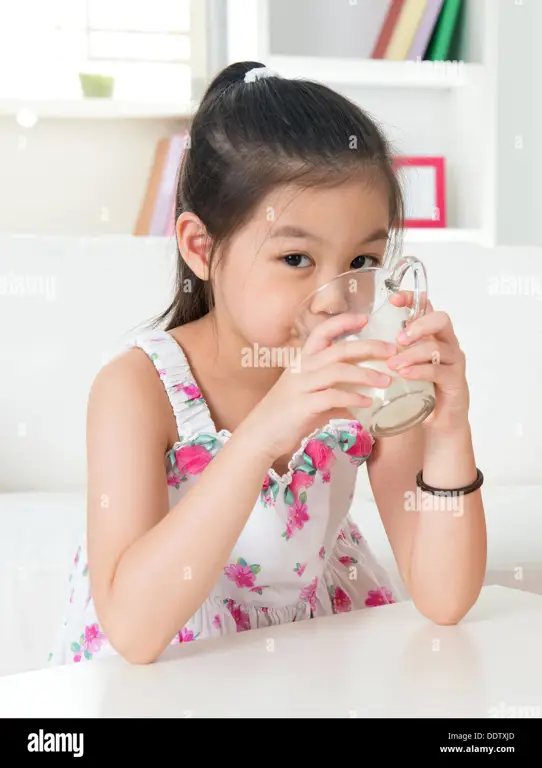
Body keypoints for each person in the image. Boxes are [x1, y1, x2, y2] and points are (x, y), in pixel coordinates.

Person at [49, 61, 486, 667]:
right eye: (297, 259)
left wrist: (448, 431)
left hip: (313, 666)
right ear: (202, 248)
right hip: (174, 675)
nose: (336, 296)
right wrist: (259, 438)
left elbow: (444, 597)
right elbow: (131, 628)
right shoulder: (139, 389)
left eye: (362, 261)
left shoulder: (365, 378)